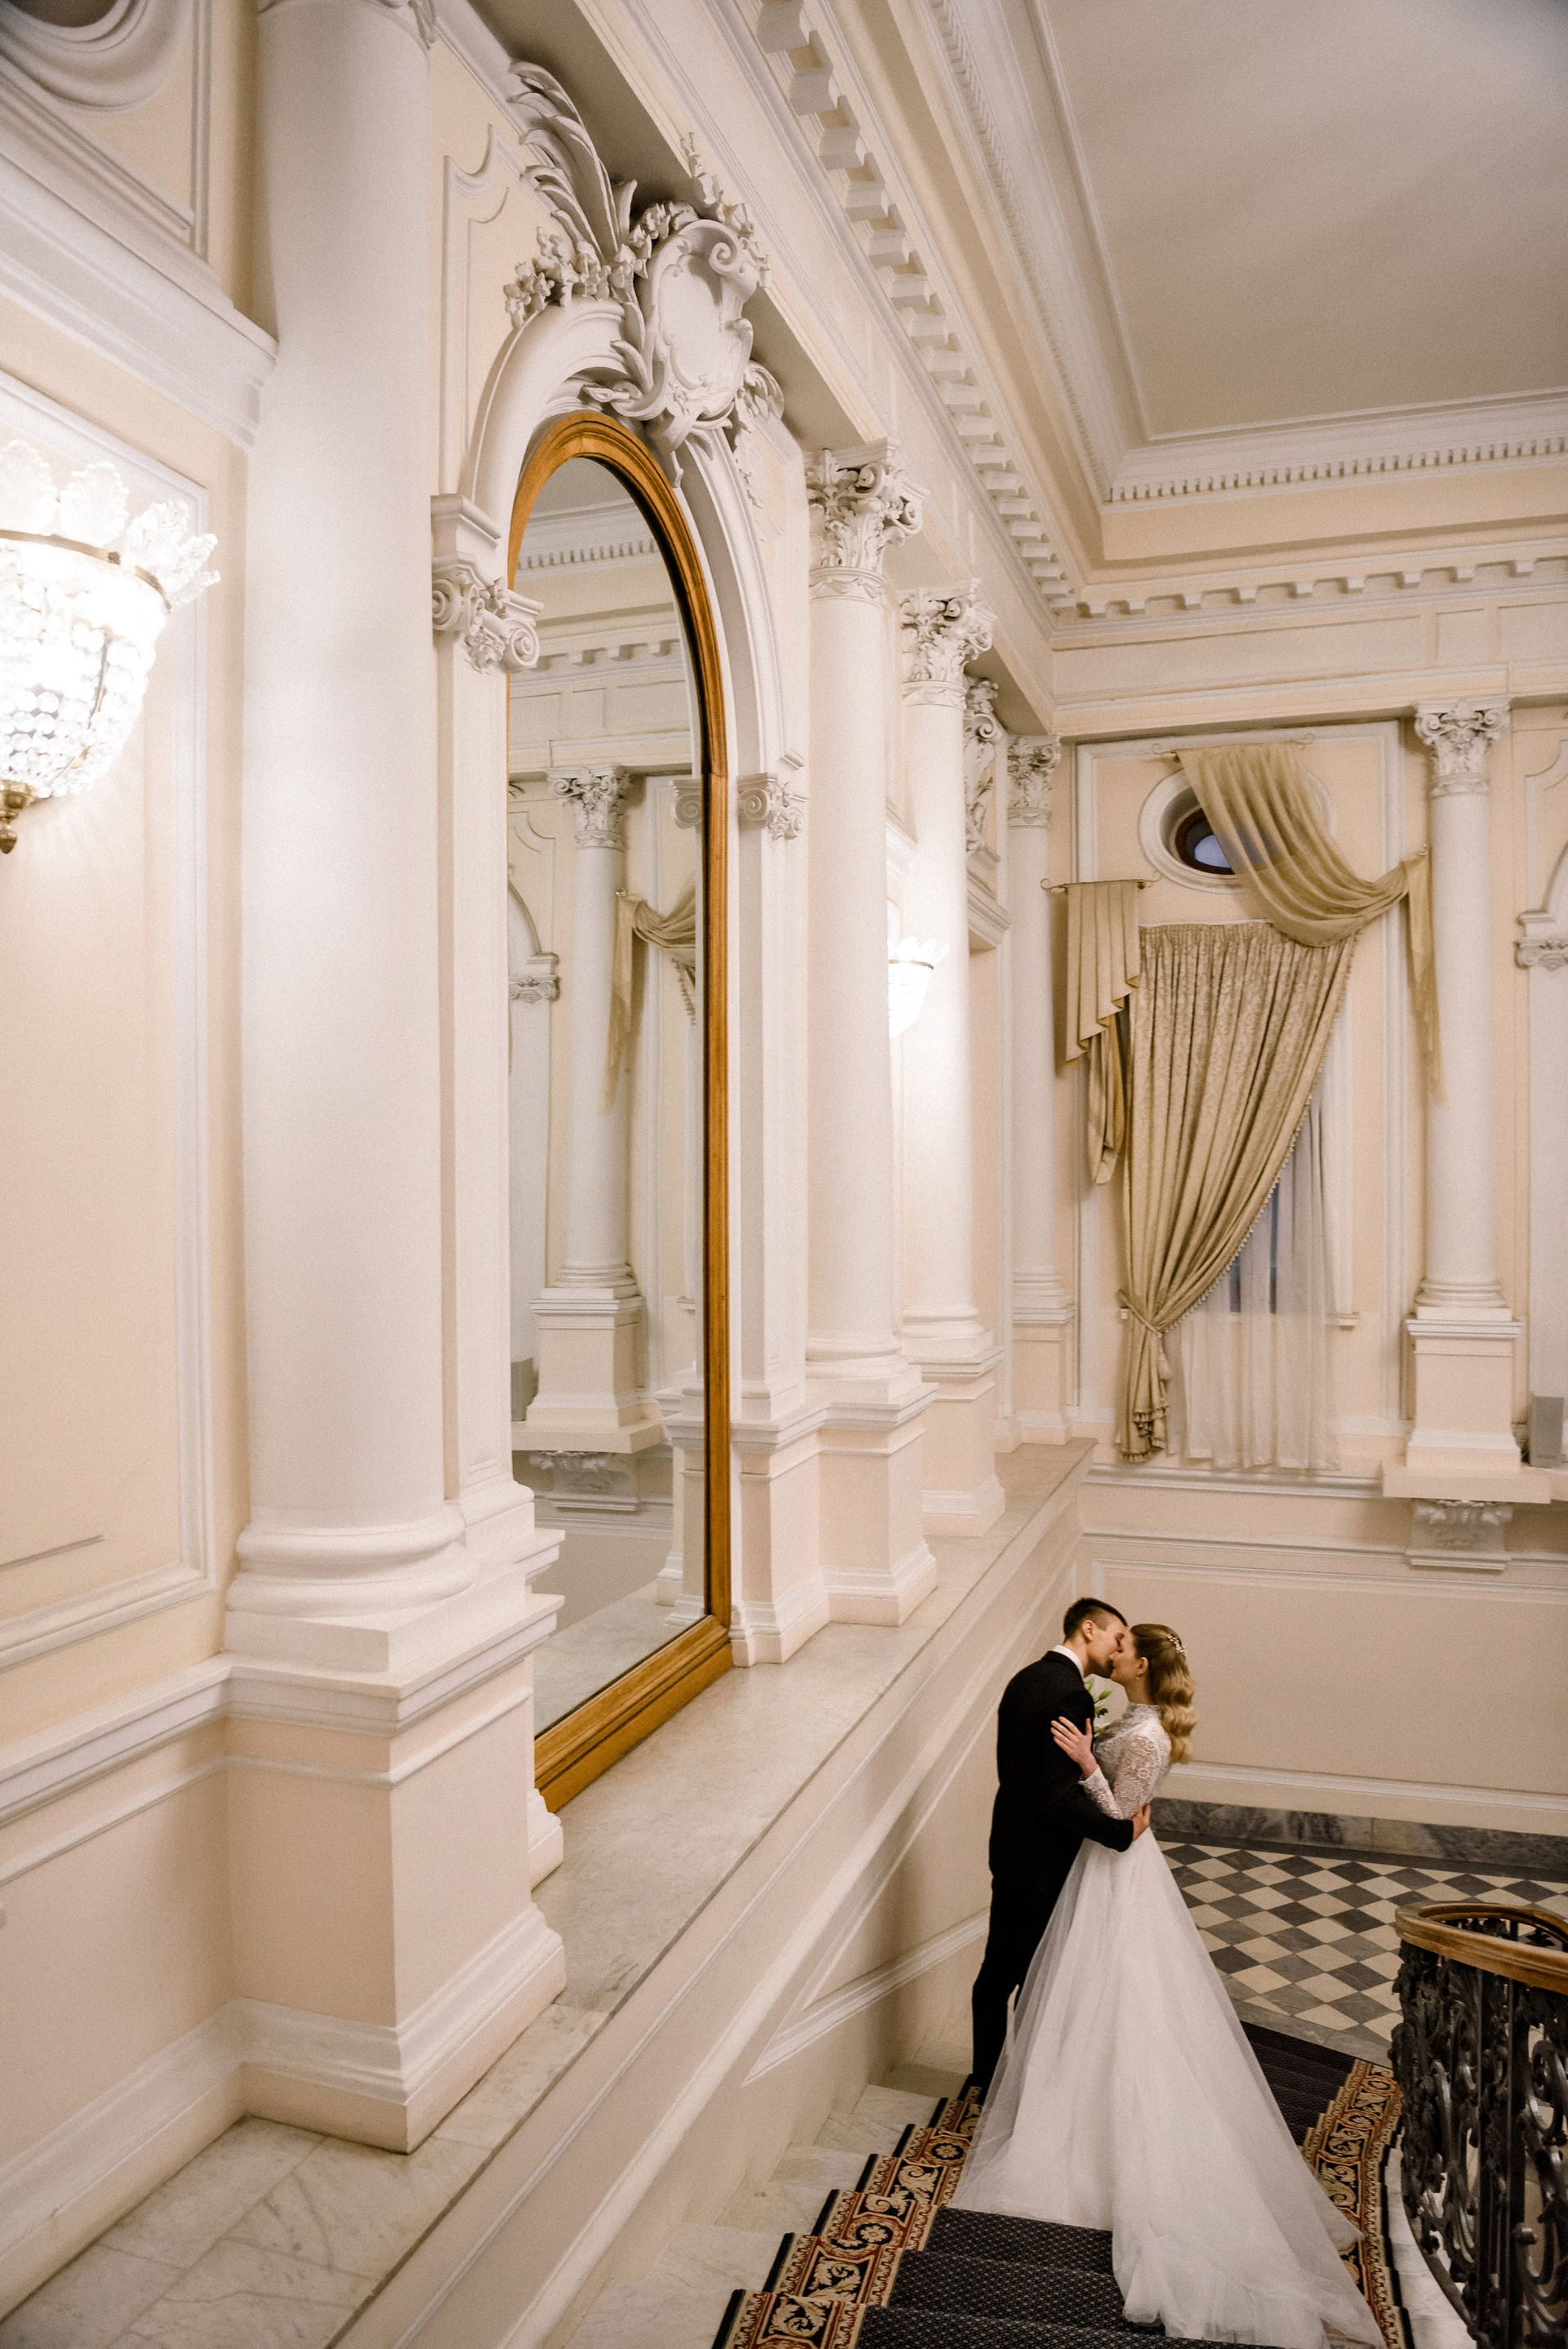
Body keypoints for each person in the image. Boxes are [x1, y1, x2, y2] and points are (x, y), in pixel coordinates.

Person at [954, 1623, 1381, 2349]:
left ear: (1141, 1664)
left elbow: (1123, 1817)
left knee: (1122, 2002)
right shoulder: (1133, 1719)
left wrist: (1087, 1763)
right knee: (1083, 1998)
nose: (1112, 1650)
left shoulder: (1147, 1737)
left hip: (1117, 1876)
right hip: (1095, 1874)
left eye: (1123, 1646)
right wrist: (1089, 1756)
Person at [969, 1598, 1148, 2098]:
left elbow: (1018, 1774)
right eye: (1116, 1637)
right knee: (1037, 1980)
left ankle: (984, 2079)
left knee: (996, 1975)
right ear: (1088, 1629)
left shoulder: (1025, 1678)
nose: (1118, 1650)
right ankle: (1024, 2092)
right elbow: (1057, 1796)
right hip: (1043, 1860)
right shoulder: (1070, 1694)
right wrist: (1120, 1834)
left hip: (1010, 1847)